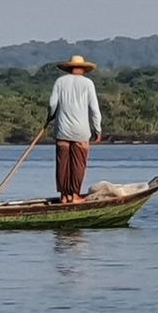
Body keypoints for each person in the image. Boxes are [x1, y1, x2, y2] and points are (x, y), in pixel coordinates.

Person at [48, 55, 102, 204]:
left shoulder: (60, 82)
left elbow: (52, 104)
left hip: (62, 130)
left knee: (62, 164)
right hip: (81, 131)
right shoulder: (88, 84)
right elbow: (94, 109)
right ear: (83, 69)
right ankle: (75, 195)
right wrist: (97, 129)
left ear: (70, 68)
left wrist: (50, 116)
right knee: (78, 164)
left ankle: (64, 196)